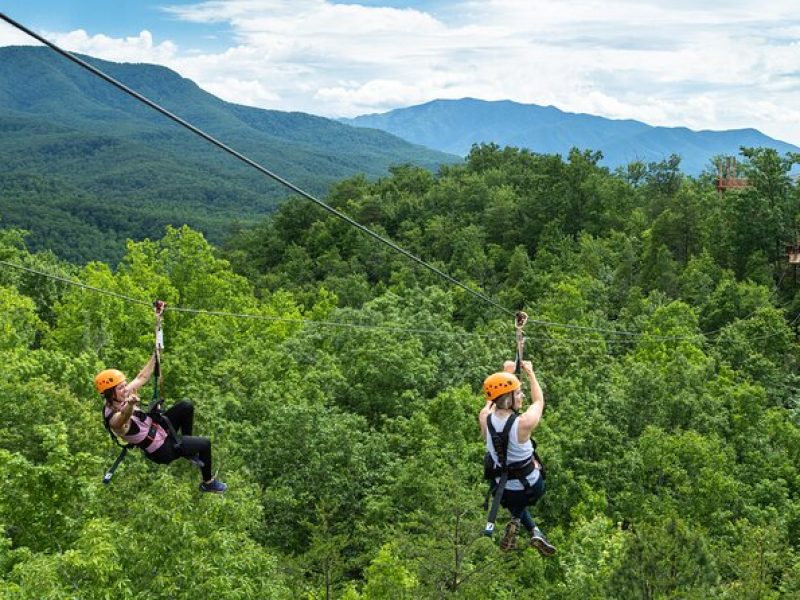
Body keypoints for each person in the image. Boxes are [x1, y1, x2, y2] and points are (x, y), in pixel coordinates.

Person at [94, 304, 227, 494]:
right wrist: (131, 405)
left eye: (124, 385)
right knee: (204, 444)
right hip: (161, 449)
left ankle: (187, 445)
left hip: (159, 428)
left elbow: (142, 377)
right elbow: (122, 421)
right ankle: (208, 482)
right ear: (110, 394)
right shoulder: (114, 418)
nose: (125, 388)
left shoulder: (121, 395)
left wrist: (158, 324)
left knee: (186, 406)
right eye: (120, 387)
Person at [479, 360, 555, 555]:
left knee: (515, 500)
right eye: (519, 393)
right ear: (510, 398)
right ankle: (524, 525)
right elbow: (539, 401)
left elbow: (491, 401)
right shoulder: (524, 423)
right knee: (526, 493)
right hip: (531, 486)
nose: (522, 396)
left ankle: (530, 528)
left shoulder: (484, 417)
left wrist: (506, 374)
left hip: (502, 491)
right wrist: (530, 373)